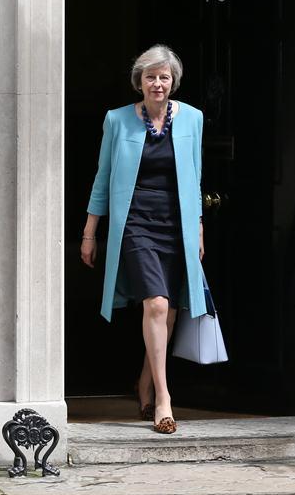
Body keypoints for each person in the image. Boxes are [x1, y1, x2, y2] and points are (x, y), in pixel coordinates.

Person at [80, 44, 206, 434]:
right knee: (156, 303)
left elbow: (196, 177)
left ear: (173, 82)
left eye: (164, 77)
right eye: (150, 76)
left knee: (167, 314)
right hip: (134, 224)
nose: (157, 83)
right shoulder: (117, 120)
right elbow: (103, 177)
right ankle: (164, 400)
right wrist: (90, 232)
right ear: (140, 81)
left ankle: (145, 381)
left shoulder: (192, 119)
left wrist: (198, 227)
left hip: (176, 224)